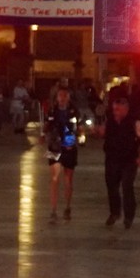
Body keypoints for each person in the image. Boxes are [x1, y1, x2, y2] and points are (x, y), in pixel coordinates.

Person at [98, 93, 140, 229]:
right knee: (112, 186)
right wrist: (98, 131)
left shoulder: (135, 123)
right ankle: (114, 212)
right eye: (114, 109)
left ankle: (128, 216)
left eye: (118, 109)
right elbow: (102, 133)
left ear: (126, 109)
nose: (115, 112)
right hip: (112, 159)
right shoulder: (110, 122)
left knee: (127, 187)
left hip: (129, 160)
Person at [44, 86, 81, 221]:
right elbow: (47, 124)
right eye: (60, 95)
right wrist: (43, 134)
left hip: (69, 147)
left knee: (68, 178)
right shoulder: (52, 110)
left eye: (65, 95)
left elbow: (78, 128)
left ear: (69, 97)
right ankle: (53, 210)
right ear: (57, 97)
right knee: (54, 178)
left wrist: (78, 139)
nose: (62, 98)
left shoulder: (74, 111)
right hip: (54, 146)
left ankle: (67, 207)